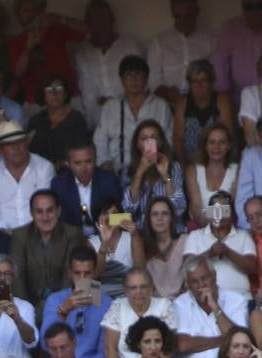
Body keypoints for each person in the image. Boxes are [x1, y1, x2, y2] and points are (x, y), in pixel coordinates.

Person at [93, 55, 173, 185]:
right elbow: (99, 140)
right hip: (118, 174)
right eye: (129, 75)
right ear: (121, 79)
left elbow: (169, 139)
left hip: (154, 173)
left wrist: (165, 173)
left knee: (169, 196)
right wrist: (104, 163)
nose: (134, 80)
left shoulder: (161, 105)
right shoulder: (110, 107)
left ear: (146, 79)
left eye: (139, 75)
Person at [9, 189, 83, 313]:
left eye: (50, 211)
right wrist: (25, 310)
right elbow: (17, 276)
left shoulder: (72, 234)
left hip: (65, 303)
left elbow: (69, 274)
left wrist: (61, 307)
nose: (45, 217)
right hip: (31, 303)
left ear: (58, 211)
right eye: (39, 212)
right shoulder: (19, 235)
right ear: (31, 213)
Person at [74, 0, 143, 130]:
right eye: (95, 19)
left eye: (104, 17)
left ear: (112, 19)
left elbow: (141, 85)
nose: (101, 23)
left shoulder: (129, 45)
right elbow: (86, 93)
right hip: (98, 121)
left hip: (132, 118)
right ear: (87, 23)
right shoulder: (82, 53)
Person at [39, 246, 109, 358]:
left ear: (95, 274)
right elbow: (45, 345)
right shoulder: (55, 299)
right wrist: (64, 311)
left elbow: (105, 351)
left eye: (87, 273)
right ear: (69, 274)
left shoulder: (107, 303)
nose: (82, 279)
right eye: (77, 273)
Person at [7, 0, 86, 106]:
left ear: (42, 12)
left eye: (35, 10)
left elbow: (86, 31)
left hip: (67, 98)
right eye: (25, 11)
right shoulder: (16, 41)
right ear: (19, 15)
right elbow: (18, 73)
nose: (31, 14)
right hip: (36, 102)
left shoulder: (57, 30)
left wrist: (59, 18)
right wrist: (28, 49)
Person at [0, 121, 56, 233]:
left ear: (27, 143)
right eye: (9, 144)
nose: (16, 147)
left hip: (39, 233)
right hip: (4, 235)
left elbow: (45, 208)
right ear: (1, 150)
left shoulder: (44, 168)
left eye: (20, 142)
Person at [186, 191, 257, 299]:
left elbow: (252, 267)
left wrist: (228, 252)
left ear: (232, 214)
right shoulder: (195, 236)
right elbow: (186, 267)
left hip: (241, 298)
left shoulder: (244, 236)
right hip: (204, 298)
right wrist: (210, 253)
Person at [211, 0, 262, 98]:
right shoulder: (230, 28)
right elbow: (220, 66)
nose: (255, 12)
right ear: (242, 8)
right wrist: (224, 100)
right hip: (239, 100)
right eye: (249, 7)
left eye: (260, 6)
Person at [121, 120, 185, 230]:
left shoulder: (174, 167)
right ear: (137, 144)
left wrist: (165, 176)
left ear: (160, 142)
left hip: (169, 231)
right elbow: (128, 209)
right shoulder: (128, 171)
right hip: (141, 231)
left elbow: (178, 209)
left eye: (153, 138)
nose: (149, 142)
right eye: (144, 139)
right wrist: (140, 171)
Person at [148, 0, 213, 107]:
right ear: (172, 13)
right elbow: (152, 81)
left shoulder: (210, 40)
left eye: (188, 16)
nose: (183, 21)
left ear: (197, 12)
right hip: (168, 105)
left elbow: (216, 77)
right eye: (178, 16)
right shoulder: (159, 42)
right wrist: (167, 93)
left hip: (202, 105)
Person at [50, 143, 122, 237]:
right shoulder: (59, 185)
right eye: (78, 163)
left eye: (88, 161)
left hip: (104, 237)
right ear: (68, 164)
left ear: (95, 160)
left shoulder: (109, 182)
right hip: (72, 240)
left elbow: (121, 217)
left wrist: (106, 227)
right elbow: (58, 221)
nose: (84, 168)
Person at [172, 59, 233, 167]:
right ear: (189, 83)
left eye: (204, 80)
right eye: (194, 81)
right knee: (168, 178)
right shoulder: (183, 103)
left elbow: (228, 135)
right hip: (188, 163)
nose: (199, 85)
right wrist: (183, 167)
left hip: (217, 160)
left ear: (212, 81)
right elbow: (178, 139)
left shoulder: (222, 101)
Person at [27, 73, 91, 171]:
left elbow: (83, 152)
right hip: (40, 174)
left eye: (59, 88)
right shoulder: (35, 120)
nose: (54, 93)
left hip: (70, 173)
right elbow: (29, 152)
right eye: (49, 89)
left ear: (65, 94)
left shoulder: (76, 118)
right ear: (43, 94)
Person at [131, 196, 188, 300]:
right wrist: (134, 234)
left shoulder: (185, 241)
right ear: (149, 219)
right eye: (155, 214)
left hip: (183, 302)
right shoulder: (143, 247)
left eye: (164, 213)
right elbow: (140, 273)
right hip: (155, 304)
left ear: (171, 218)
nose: (159, 218)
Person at [185, 123, 238, 230]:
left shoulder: (237, 170)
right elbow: (196, 210)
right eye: (212, 142)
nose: (216, 147)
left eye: (222, 142)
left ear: (229, 146)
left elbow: (230, 209)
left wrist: (210, 216)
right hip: (198, 228)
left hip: (228, 229)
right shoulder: (193, 170)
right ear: (205, 145)